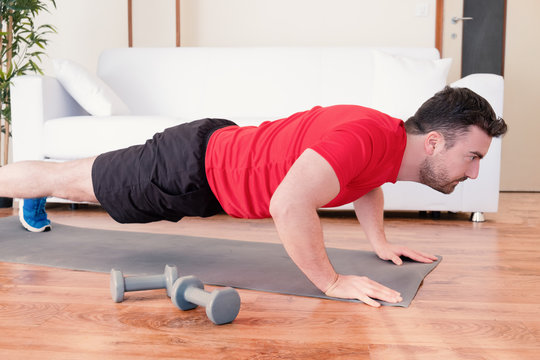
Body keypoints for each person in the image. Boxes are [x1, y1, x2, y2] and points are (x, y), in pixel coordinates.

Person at [0, 86, 507, 306]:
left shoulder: (387, 143)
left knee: (73, 180)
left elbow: (366, 182)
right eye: (474, 156)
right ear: (435, 142)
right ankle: (26, 190)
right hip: (189, 168)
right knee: (66, 179)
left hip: (210, 164)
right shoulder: (366, 137)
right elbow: (287, 203)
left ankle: (32, 197)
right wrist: (329, 282)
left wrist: (378, 242)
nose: (475, 171)